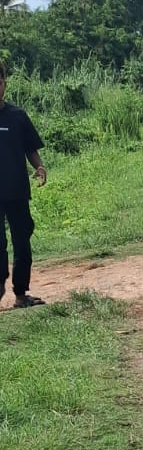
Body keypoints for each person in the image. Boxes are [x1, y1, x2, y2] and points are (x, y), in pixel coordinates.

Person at [0, 62, 47, 309]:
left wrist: (39, 167)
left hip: (17, 191)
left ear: (4, 84)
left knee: (22, 241)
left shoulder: (17, 116)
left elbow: (30, 147)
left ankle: (20, 295)